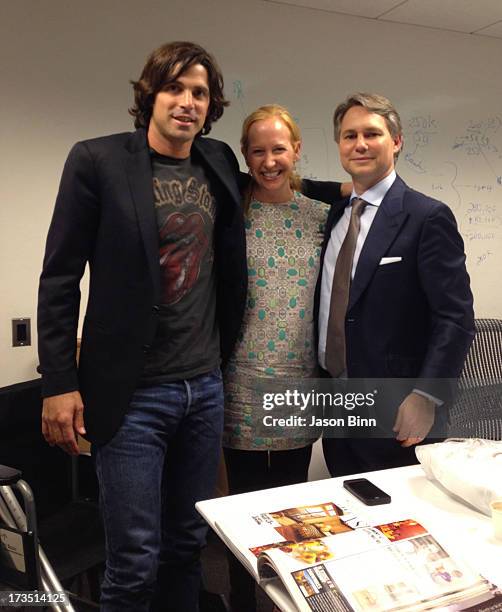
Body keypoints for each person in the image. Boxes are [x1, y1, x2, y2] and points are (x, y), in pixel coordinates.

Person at [37, 41, 247, 612]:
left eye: (199, 93)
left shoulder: (220, 161)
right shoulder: (98, 161)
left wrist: (355, 191)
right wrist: (59, 381)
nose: (187, 102)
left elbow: (274, 188)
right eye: (175, 88)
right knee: (133, 560)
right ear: (149, 95)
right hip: (132, 397)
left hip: (204, 388)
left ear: (211, 105)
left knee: (185, 545)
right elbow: (59, 277)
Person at [311, 93, 475, 477]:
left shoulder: (426, 217)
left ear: (396, 142)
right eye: (349, 136)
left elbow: (455, 317)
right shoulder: (335, 215)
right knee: (349, 508)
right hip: (337, 401)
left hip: (400, 409)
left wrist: (426, 396)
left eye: (372, 133)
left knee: (404, 524)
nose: (360, 144)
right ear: (339, 145)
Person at [222, 104, 346, 612]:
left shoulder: (321, 216)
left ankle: (292, 602)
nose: (269, 160)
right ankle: (240, 600)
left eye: (279, 149)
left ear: (296, 150)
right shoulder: (230, 209)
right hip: (239, 380)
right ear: (245, 155)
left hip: (300, 379)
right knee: (240, 511)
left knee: (293, 509)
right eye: (257, 150)